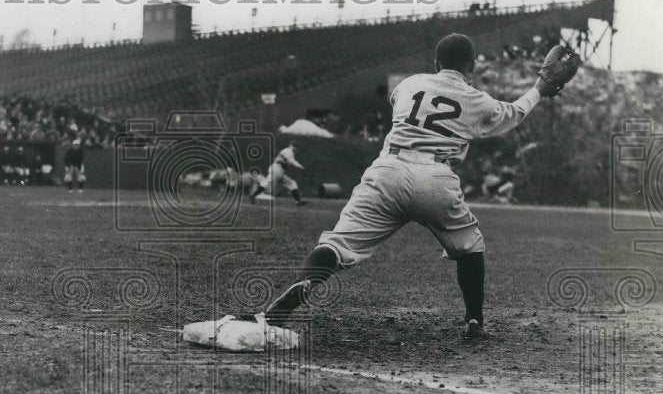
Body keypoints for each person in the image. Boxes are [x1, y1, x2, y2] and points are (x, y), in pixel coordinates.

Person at [237, 33, 554, 342]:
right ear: (471, 66)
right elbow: (516, 112)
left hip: (389, 169)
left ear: (435, 62)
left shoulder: (410, 84)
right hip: (437, 176)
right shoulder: (478, 101)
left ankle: (286, 303)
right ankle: (474, 321)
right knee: (470, 248)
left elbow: (401, 104)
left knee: (337, 244)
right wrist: (541, 87)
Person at [249, 139, 307, 205]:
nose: (295, 150)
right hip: (277, 169)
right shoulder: (288, 151)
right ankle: (253, 196)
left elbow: (287, 161)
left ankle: (298, 201)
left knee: (292, 183)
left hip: (279, 170)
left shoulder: (288, 151)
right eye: (295, 147)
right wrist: (300, 167)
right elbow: (291, 161)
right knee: (267, 184)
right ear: (292, 146)